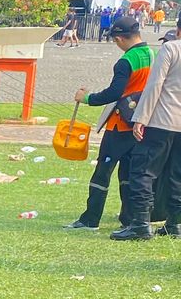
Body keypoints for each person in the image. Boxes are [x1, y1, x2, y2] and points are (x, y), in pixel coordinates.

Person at [65, 15, 152, 232]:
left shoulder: (126, 61)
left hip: (119, 125)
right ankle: (130, 218)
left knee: (102, 172)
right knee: (130, 173)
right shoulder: (153, 54)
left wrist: (87, 98)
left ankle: (90, 219)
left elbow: (114, 92)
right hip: (142, 123)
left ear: (119, 39)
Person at [112, 35, 181, 240]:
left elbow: (155, 84)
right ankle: (175, 223)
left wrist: (141, 117)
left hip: (162, 120)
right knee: (176, 175)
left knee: (143, 171)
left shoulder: (171, 48)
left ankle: (140, 223)